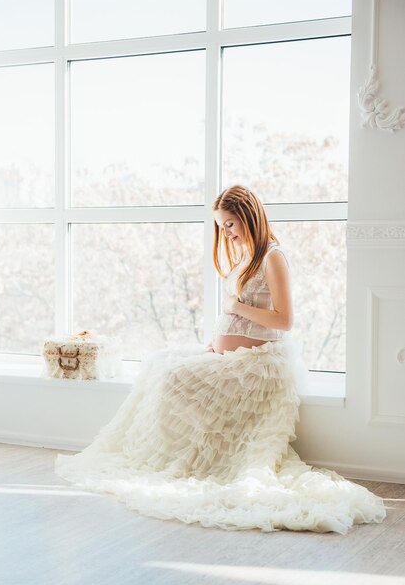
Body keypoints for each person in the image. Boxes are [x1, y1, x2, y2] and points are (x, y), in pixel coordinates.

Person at [54, 185, 386, 534]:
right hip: (229, 354)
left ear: (248, 216)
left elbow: (284, 320)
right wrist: (217, 342)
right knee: (159, 363)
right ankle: (173, 456)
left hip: (256, 364)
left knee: (172, 378)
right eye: (221, 226)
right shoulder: (245, 253)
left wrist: (234, 306)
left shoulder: (273, 256)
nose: (225, 233)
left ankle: (191, 461)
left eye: (229, 224)